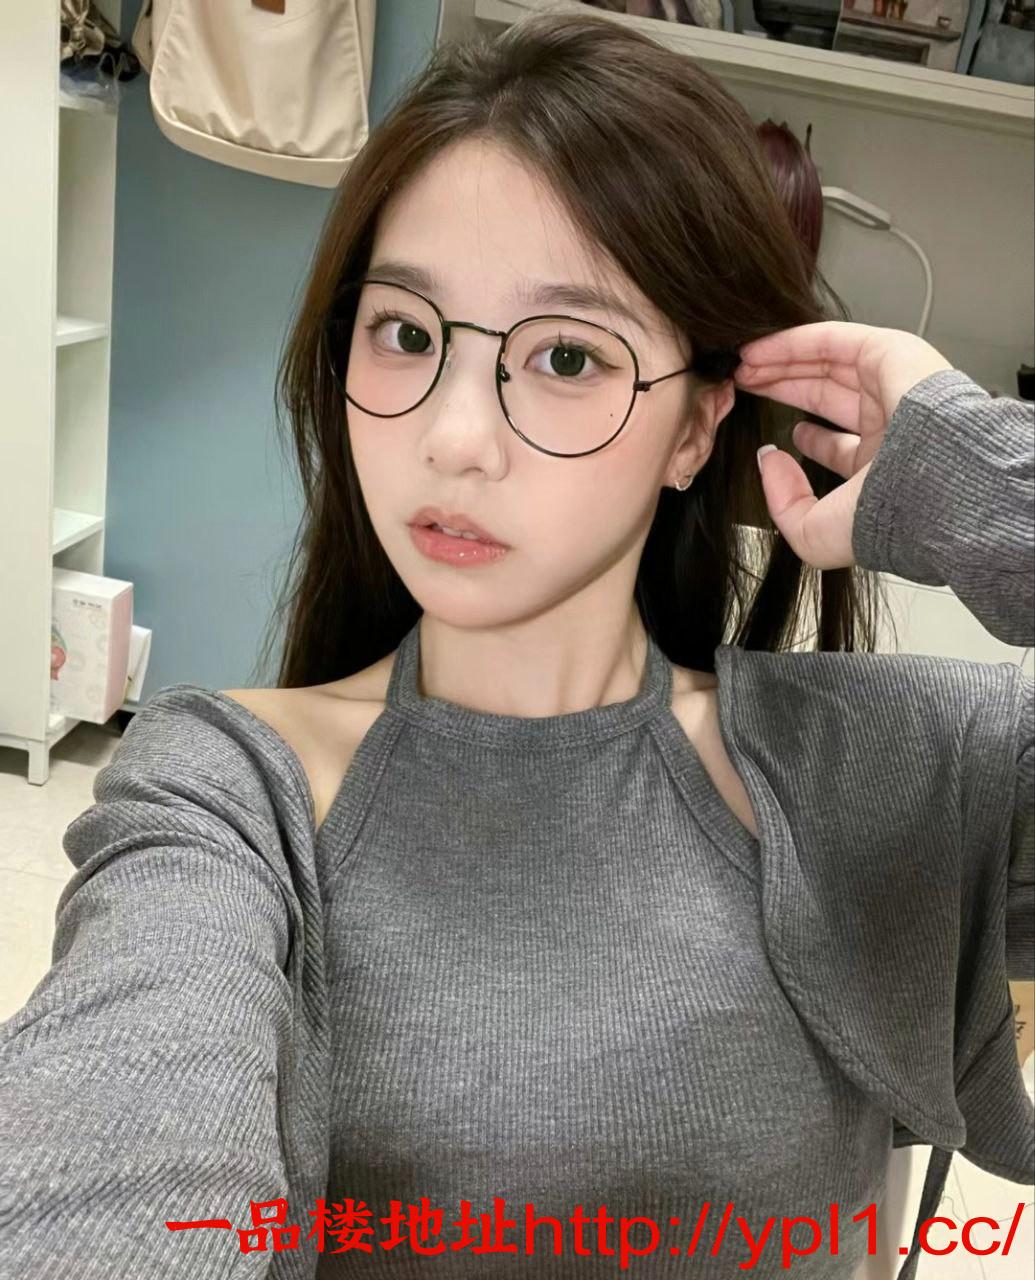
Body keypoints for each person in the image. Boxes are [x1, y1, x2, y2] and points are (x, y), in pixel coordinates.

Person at [1, 10, 1032, 1280]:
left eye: (565, 356)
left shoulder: (882, 767)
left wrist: (981, 482)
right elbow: (110, 1151)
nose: (453, 437)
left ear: (696, 428)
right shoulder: (228, 791)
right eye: (406, 333)